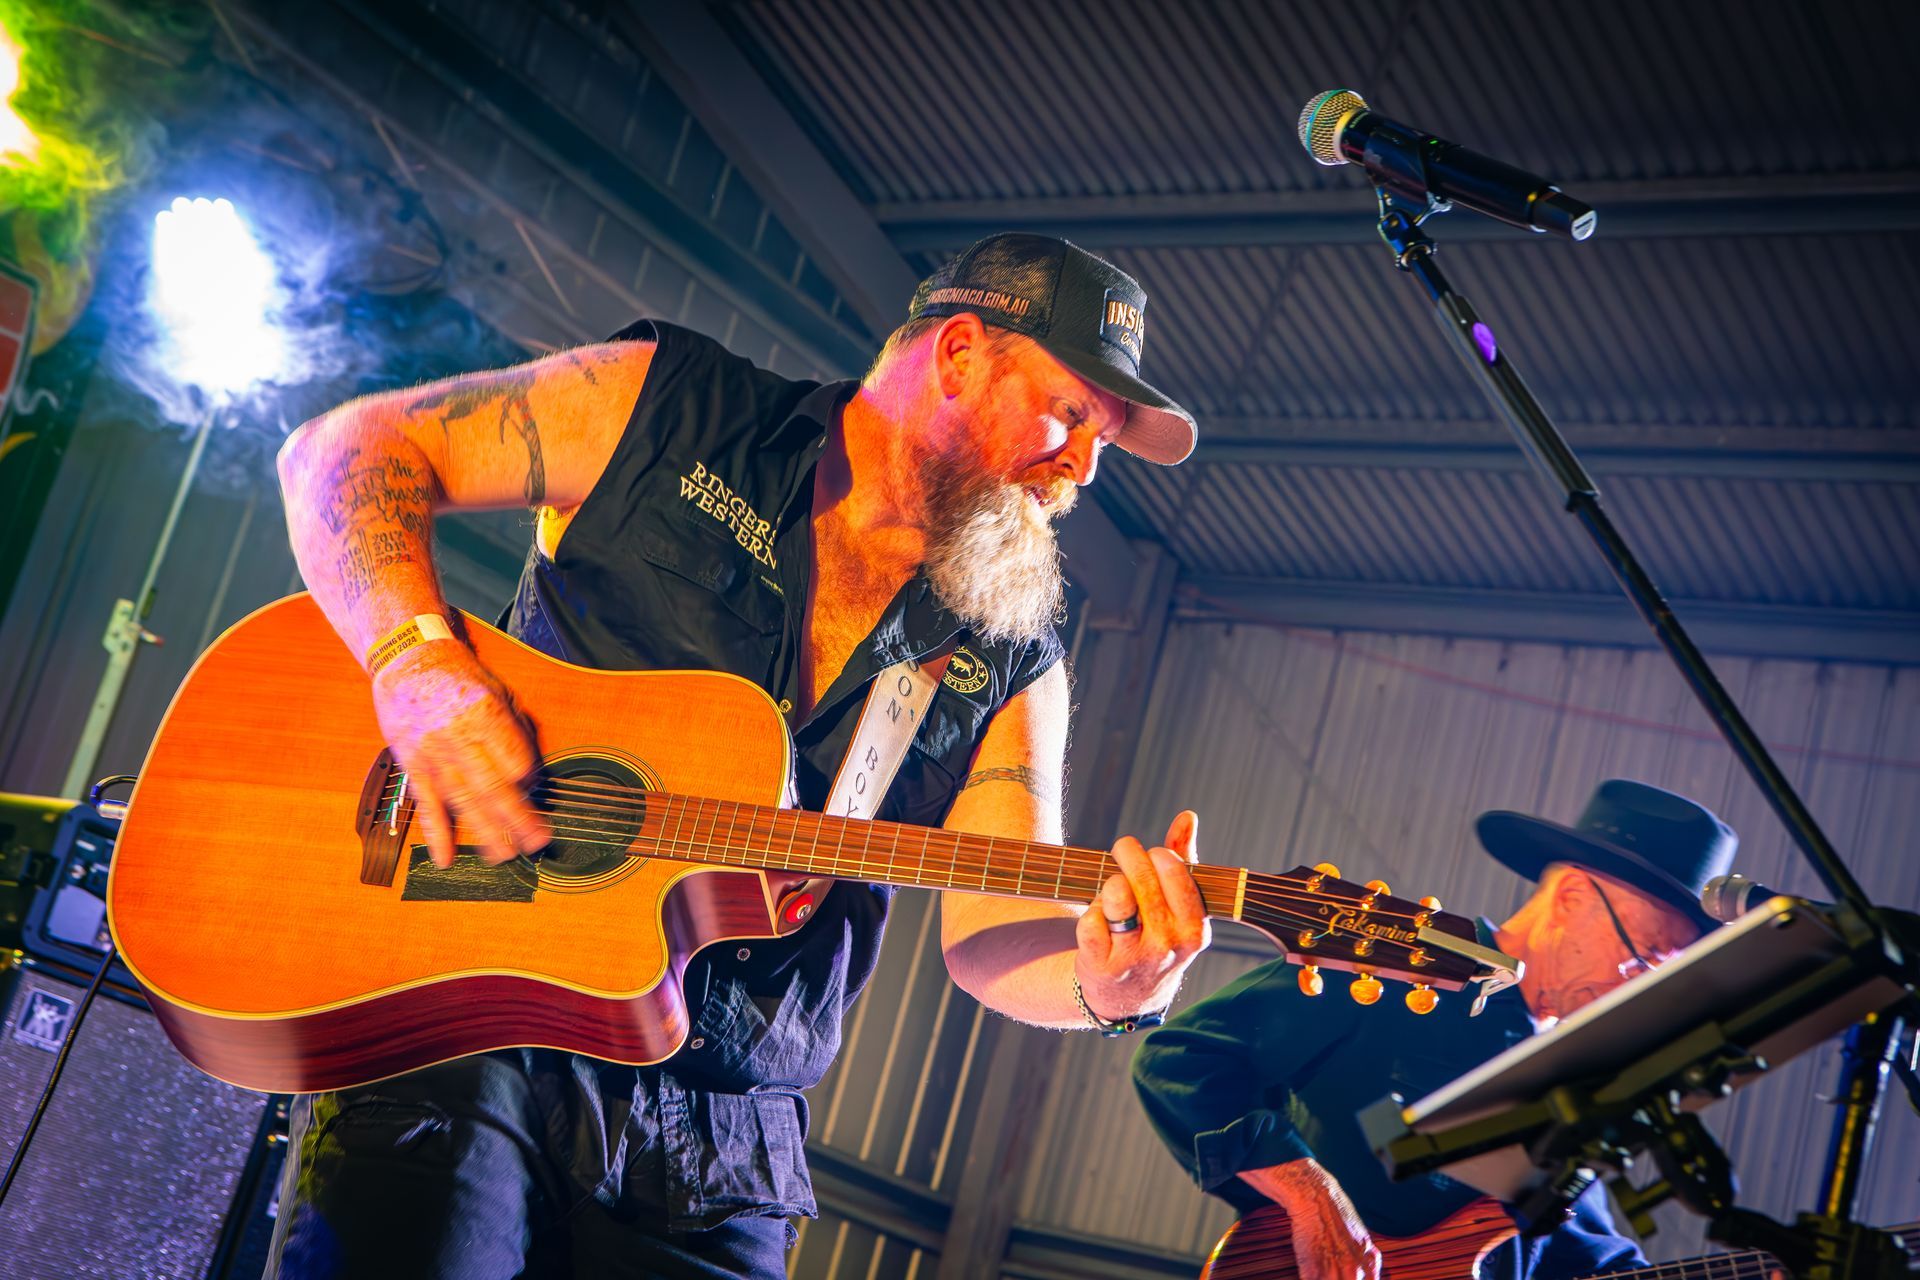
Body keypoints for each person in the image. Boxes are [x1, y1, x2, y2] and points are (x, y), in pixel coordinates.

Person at [266, 233, 1213, 1278]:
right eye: (1073, 413)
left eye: (1105, 440)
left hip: (721, 1151)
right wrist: (417, 669)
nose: (1084, 466)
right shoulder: (667, 408)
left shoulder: (1013, 651)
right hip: (476, 1016)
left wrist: (1107, 983)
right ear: (958, 354)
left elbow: (991, 927)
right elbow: (344, 456)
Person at [1132, 779, 1742, 1280]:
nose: (1644, 991)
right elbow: (1180, 1060)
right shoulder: (1395, 959)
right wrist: (1308, 1193)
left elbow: (1583, 1255)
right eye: (1648, 958)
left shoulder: (1578, 1080)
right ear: (1574, 899)